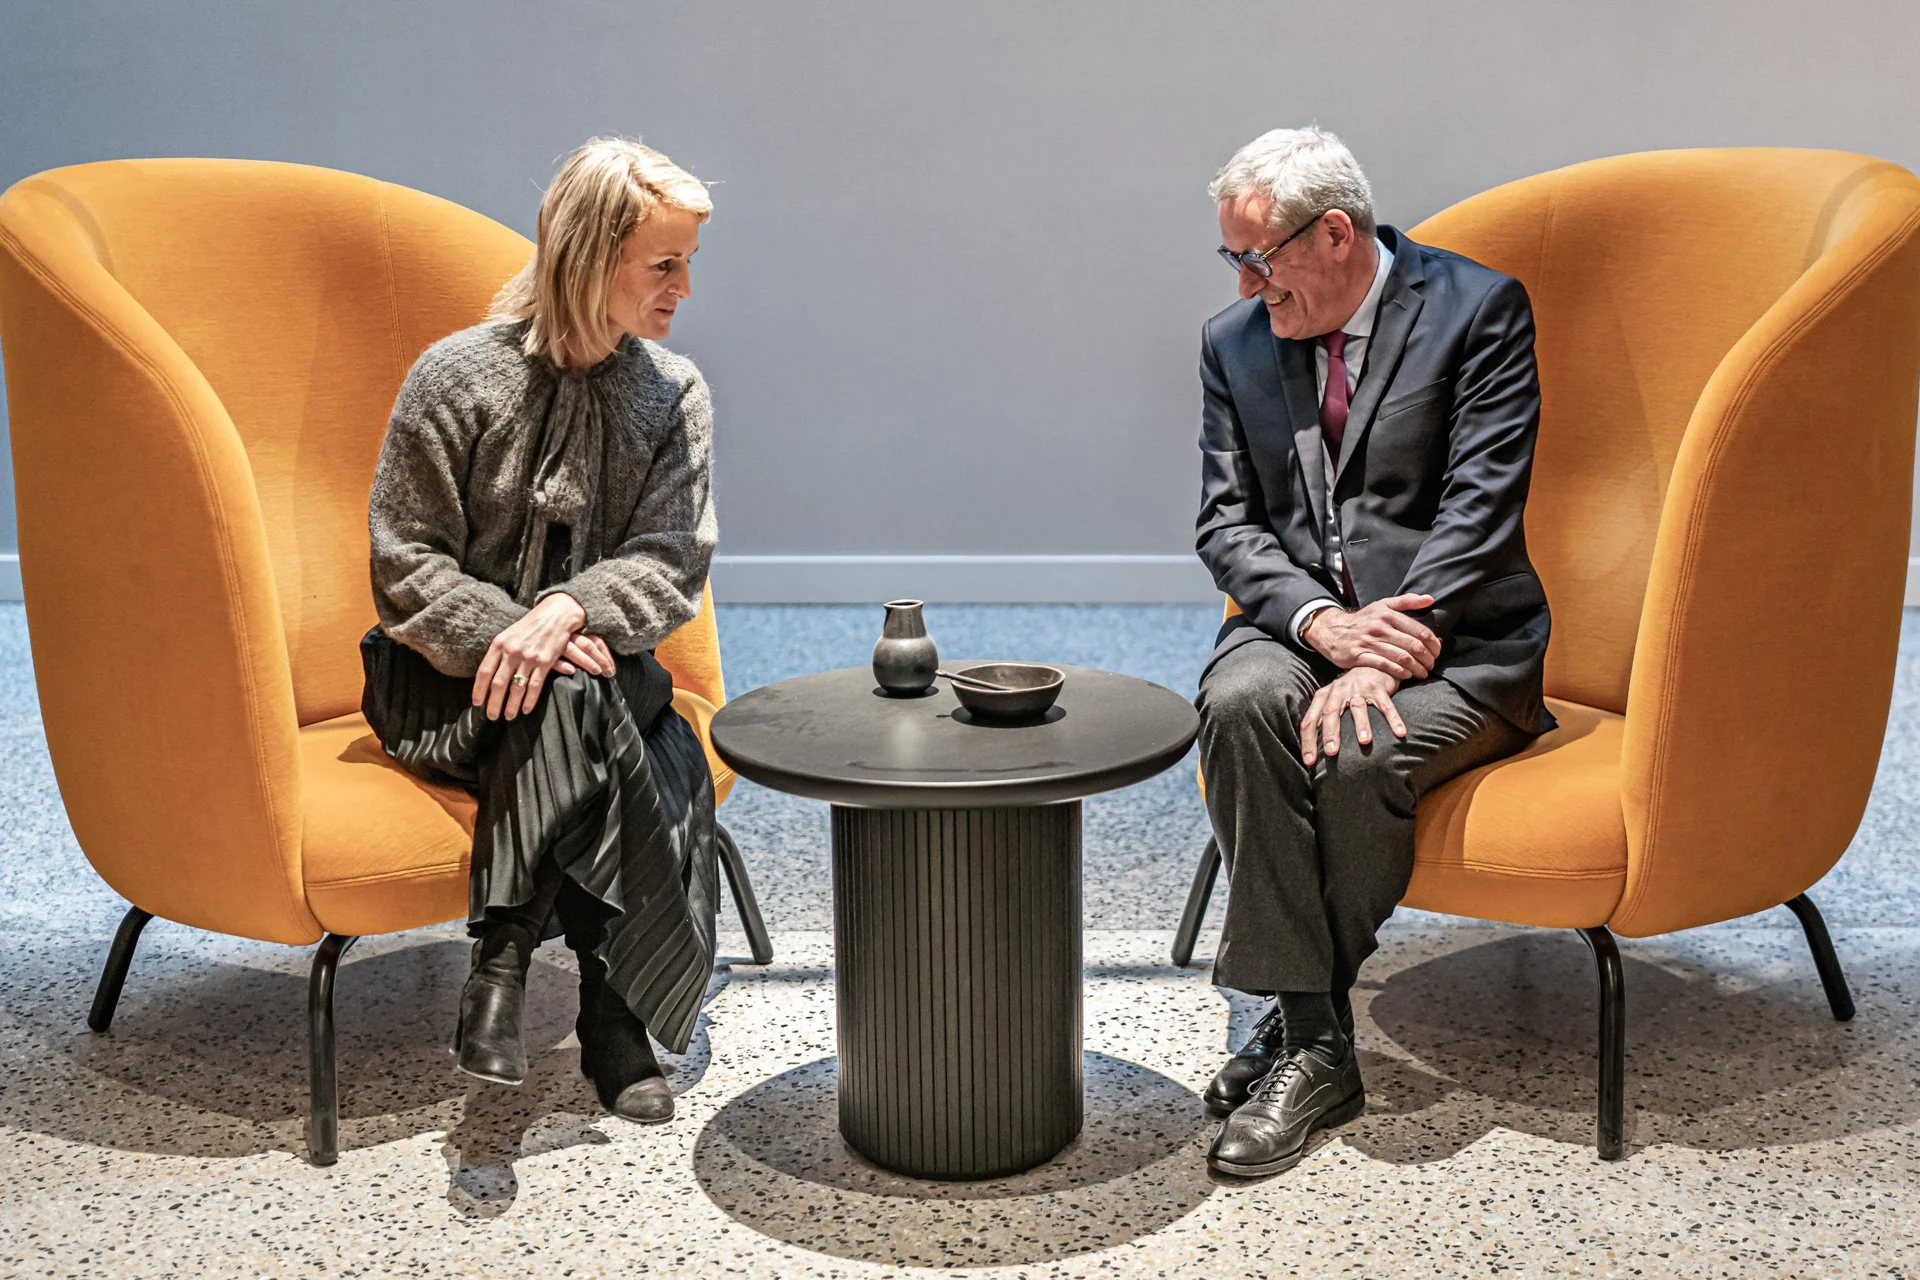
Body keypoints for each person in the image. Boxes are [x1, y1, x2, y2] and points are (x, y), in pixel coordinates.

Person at [1193, 126, 1555, 1177]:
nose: (1248, 282)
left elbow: (1481, 508)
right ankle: (1315, 1034)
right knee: (1241, 703)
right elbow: (1227, 525)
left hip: (1458, 641)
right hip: (1301, 625)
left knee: (1359, 750)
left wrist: (1382, 651)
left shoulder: (1478, 310)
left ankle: (1298, 1032)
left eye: (1259, 257)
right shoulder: (1235, 342)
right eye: (1233, 261)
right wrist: (1320, 625)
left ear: (1336, 233)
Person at [362, 136, 721, 1125]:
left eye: (689, 260)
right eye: (665, 261)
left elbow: (670, 564)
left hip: (596, 671)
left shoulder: (672, 393)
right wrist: (512, 631)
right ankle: (614, 1022)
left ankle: (502, 962)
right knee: (611, 719)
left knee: (580, 690)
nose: (686, 286)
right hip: (442, 683)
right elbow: (405, 560)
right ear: (589, 254)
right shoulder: (455, 376)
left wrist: (565, 612)